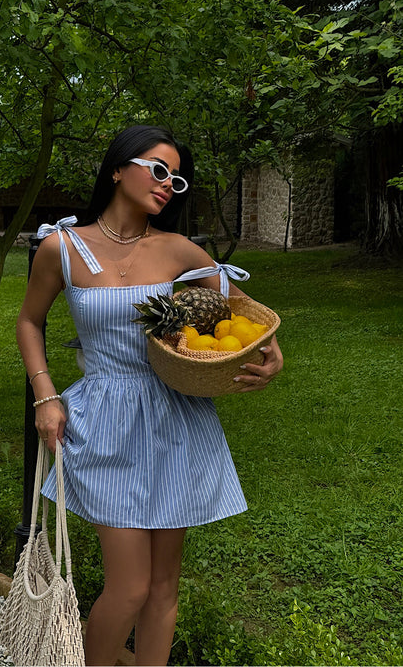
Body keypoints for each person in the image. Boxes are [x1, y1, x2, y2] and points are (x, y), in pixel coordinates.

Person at [16, 125, 283, 666]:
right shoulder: (61, 247)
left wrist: (273, 352)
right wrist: (45, 394)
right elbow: (28, 320)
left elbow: (250, 315)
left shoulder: (179, 249)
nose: (168, 185)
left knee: (163, 587)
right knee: (130, 587)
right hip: (105, 419)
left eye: (177, 179)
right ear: (118, 168)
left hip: (177, 418)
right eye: (159, 170)